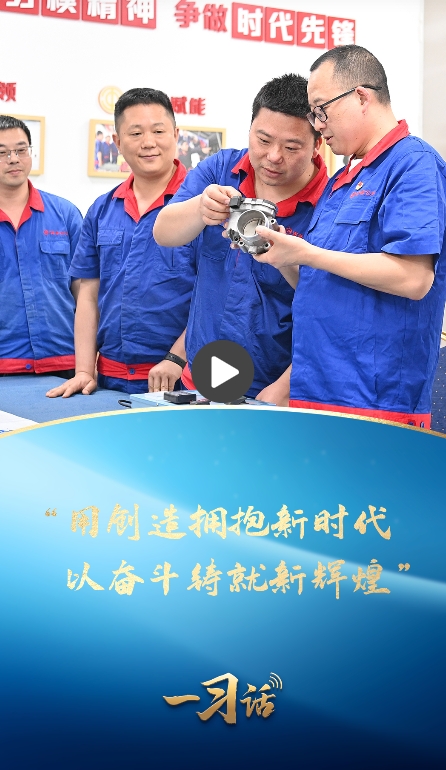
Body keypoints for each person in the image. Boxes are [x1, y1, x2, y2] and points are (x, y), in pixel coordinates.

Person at [252, 45, 446, 428]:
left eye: (321, 110)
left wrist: (307, 253)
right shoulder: (344, 179)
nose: (317, 124)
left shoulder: (414, 165)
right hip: (315, 390)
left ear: (360, 96)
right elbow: (321, 282)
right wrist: (285, 255)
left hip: (374, 400)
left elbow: (413, 278)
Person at [153, 74, 328, 405]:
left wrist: (283, 388)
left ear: (317, 144)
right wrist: (200, 208)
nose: (274, 156)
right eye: (263, 140)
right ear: (249, 129)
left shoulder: (329, 203)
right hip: (201, 379)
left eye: (291, 147)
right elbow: (163, 232)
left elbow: (329, 312)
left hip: (271, 389)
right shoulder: (222, 169)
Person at [47, 88, 198, 399]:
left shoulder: (202, 206)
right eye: (136, 133)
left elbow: (215, 297)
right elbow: (88, 295)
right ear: (117, 142)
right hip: (109, 380)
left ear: (176, 135)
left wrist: (176, 358)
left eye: (158, 131)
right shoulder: (102, 209)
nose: (148, 142)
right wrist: (84, 371)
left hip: (183, 379)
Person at [0, 115, 82, 378]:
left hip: (64, 361)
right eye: (2, 153)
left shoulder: (65, 214)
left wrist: (89, 355)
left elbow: (85, 291)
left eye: (21, 150)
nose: (13, 159)